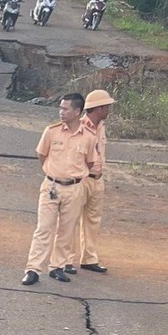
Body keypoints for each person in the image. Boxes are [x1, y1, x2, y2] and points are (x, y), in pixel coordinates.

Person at [21, 92, 100, 285]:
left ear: (77, 112)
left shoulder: (89, 137)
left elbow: (90, 162)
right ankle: (33, 269)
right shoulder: (52, 131)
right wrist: (54, 173)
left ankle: (57, 267)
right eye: (61, 108)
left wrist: (73, 176)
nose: (61, 112)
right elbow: (42, 155)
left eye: (66, 109)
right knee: (44, 228)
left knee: (67, 230)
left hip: (74, 188)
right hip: (51, 185)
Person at [75, 88, 115, 274]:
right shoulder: (79, 127)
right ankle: (64, 260)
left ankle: (89, 258)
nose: (108, 110)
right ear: (98, 108)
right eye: (106, 107)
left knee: (92, 221)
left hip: (97, 179)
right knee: (70, 220)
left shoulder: (101, 126)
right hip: (81, 179)